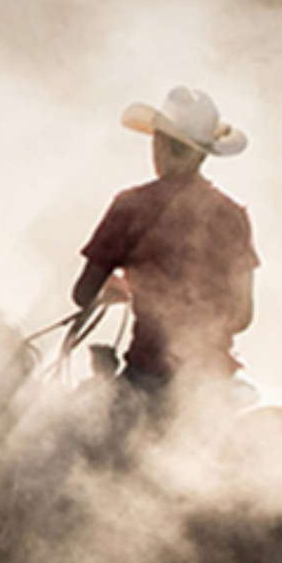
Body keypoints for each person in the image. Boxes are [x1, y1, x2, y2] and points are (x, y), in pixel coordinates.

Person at [63, 86, 258, 408]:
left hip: (152, 377)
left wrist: (124, 289)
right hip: (217, 375)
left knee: (77, 426)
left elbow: (83, 293)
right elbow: (242, 317)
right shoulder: (233, 214)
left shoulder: (131, 207)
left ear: (161, 144)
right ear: (203, 154)